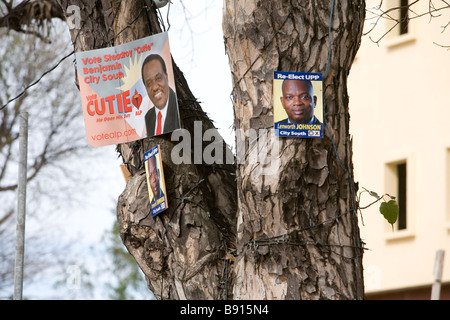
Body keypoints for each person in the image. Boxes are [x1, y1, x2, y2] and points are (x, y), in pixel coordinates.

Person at [142, 54, 180, 136]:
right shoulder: (148, 117)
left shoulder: (178, 108)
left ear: (166, 77)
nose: (155, 87)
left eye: (158, 78)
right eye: (149, 83)